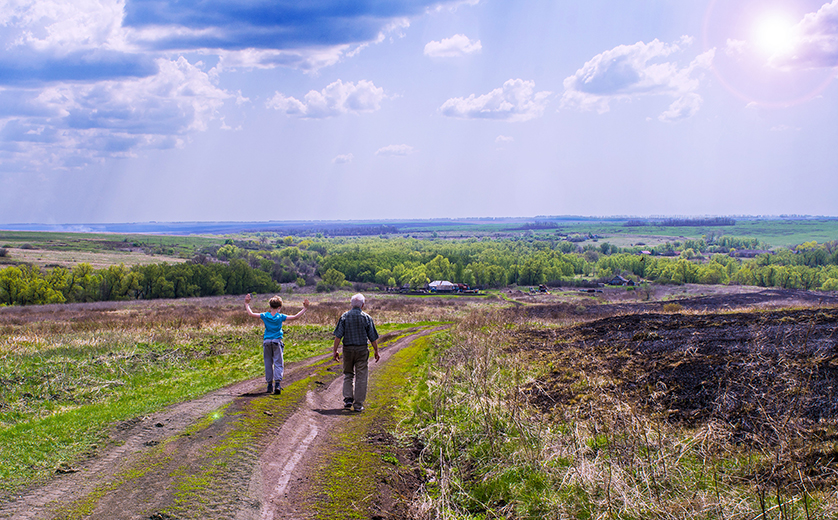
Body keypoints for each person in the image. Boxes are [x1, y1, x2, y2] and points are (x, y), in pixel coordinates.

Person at [245, 293, 309, 394]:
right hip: (276, 342)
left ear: (270, 306)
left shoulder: (265, 315)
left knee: (268, 363)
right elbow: (295, 317)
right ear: (279, 307)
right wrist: (305, 308)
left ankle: (269, 385)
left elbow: (251, 314)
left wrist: (246, 304)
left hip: (266, 342)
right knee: (278, 363)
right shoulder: (280, 316)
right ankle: (278, 384)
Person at [332, 293, 380, 412]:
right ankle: (358, 405)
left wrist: (335, 350)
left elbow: (338, 336)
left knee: (348, 374)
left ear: (351, 304)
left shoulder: (344, 317)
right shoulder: (367, 318)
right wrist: (376, 350)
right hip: (362, 350)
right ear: (363, 305)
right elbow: (373, 337)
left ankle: (348, 398)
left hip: (348, 349)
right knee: (361, 376)